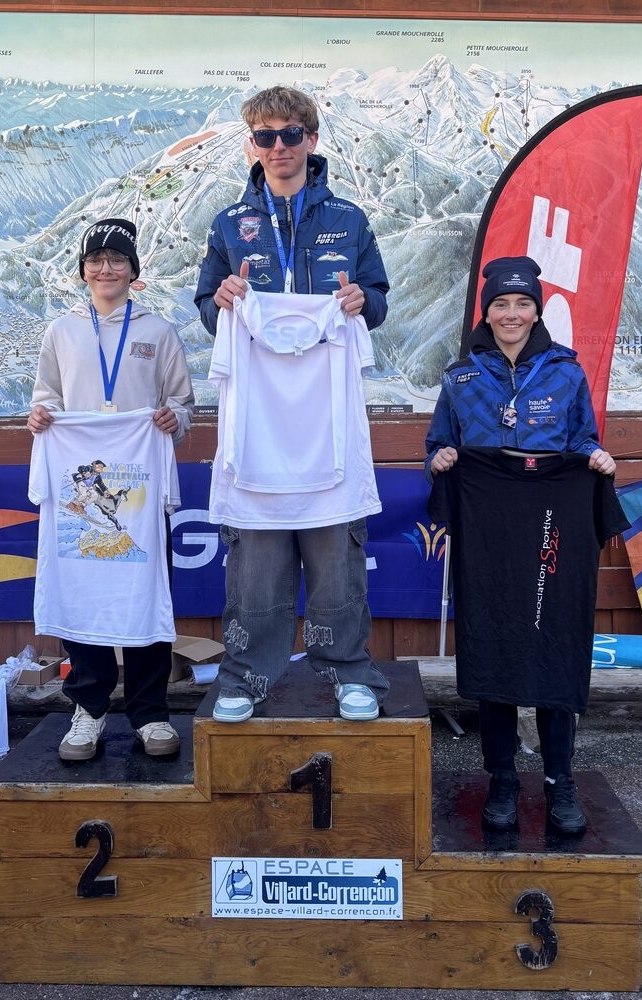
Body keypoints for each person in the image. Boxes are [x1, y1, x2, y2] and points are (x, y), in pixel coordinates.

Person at [194, 85, 390, 724]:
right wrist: (222, 301)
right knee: (255, 568)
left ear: (311, 138)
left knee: (337, 566)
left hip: (327, 429)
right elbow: (206, 311)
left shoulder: (349, 219)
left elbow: (378, 299)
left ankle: (349, 673)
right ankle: (244, 677)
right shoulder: (229, 224)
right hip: (257, 432)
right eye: (265, 136)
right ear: (251, 145)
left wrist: (360, 301)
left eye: (290, 134)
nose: (278, 146)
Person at [425, 255, 618, 835]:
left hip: (550, 522)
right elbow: (438, 444)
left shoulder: (566, 372)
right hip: (489, 527)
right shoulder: (460, 377)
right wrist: (441, 459)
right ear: (486, 313)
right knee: (494, 643)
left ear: (537, 311)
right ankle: (503, 778)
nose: (512, 313)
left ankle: (560, 780)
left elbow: (582, 439)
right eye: (501, 304)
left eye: (522, 303)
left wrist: (595, 458)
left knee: (555, 640)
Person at [28, 217, 194, 761]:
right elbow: (46, 398)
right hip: (82, 487)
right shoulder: (61, 331)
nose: (106, 268)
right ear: (83, 271)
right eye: (96, 260)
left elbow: (183, 404)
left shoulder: (158, 332)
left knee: (147, 590)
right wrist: (41, 417)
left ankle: (150, 712)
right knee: (83, 589)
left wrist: (173, 419)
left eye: (117, 259)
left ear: (132, 270)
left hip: (139, 489)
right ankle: (89, 709)